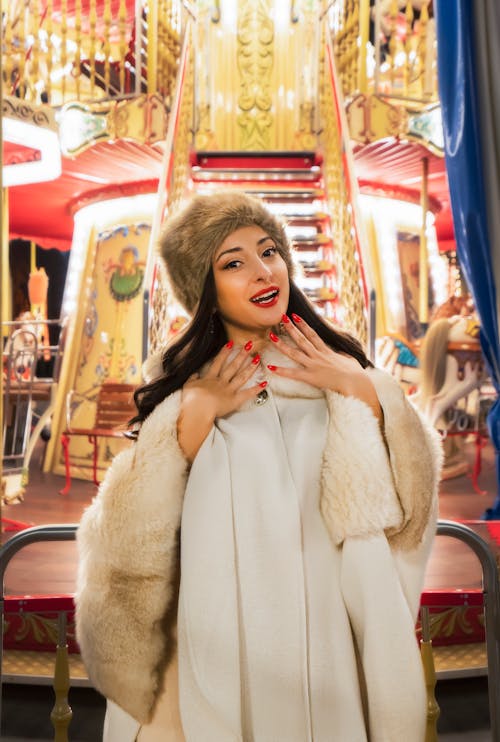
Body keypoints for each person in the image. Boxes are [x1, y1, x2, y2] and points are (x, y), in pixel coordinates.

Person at [75, 191, 442, 742]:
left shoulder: (340, 371)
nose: (263, 271)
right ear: (205, 290)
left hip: (325, 647)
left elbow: (407, 507)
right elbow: (132, 538)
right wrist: (192, 418)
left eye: (268, 251)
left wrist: (360, 389)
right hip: (218, 642)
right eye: (233, 262)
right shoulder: (185, 396)